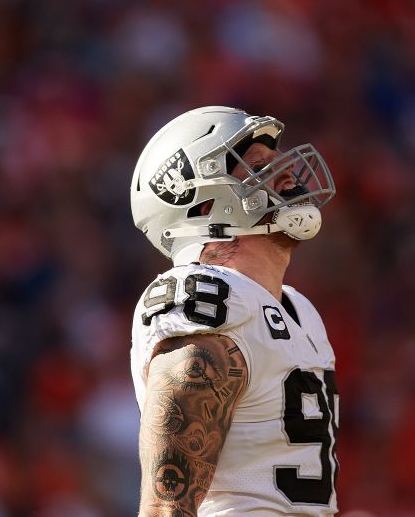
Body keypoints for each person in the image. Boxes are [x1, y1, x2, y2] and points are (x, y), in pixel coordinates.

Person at [129, 106, 341, 516]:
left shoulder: (299, 309)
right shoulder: (205, 298)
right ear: (203, 205)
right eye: (258, 165)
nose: (286, 173)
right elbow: (166, 504)